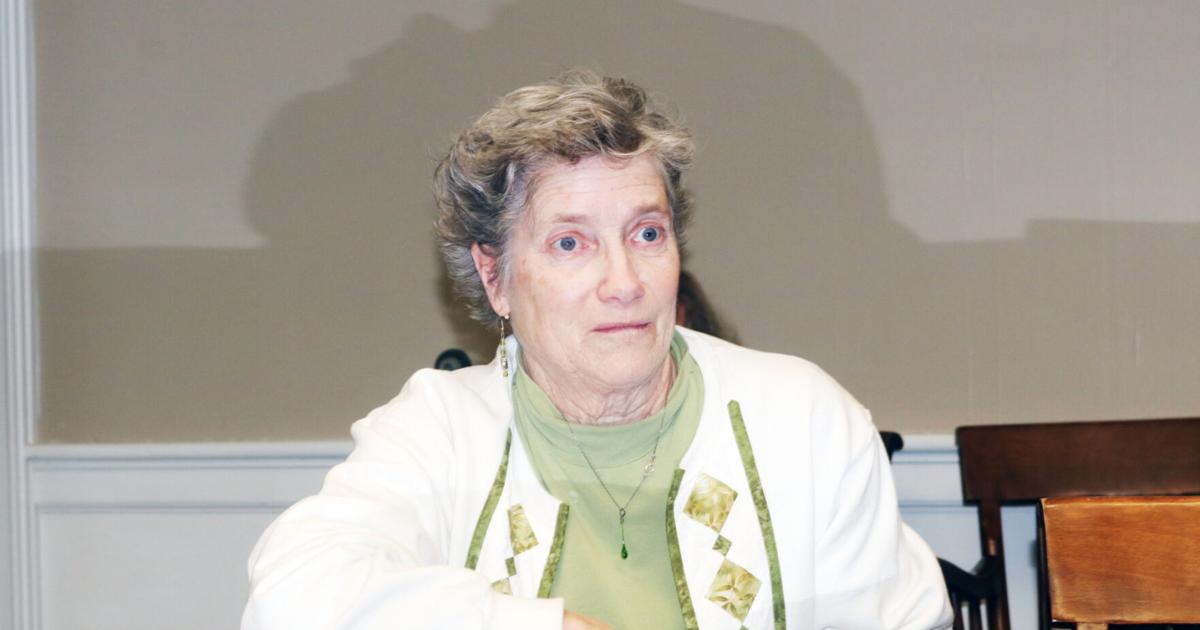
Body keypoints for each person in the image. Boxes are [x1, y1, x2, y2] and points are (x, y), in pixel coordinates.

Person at [242, 71, 951, 630]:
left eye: (647, 234)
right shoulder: (440, 429)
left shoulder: (802, 418)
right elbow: (294, 597)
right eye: (570, 243)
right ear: (495, 276)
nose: (625, 282)